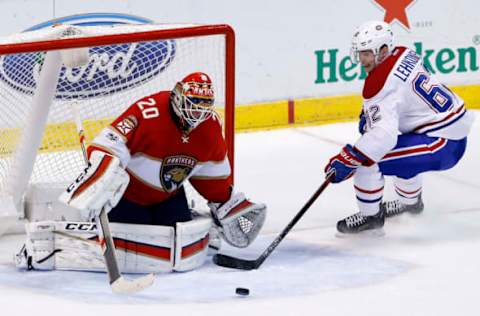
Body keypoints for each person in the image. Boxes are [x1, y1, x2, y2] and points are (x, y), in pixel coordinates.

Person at [16, 72, 267, 273]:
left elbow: (211, 169)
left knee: (175, 235)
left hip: (169, 196)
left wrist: (223, 199)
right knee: (133, 239)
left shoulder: (210, 127)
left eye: (204, 107)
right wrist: (105, 171)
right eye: (193, 105)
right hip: (129, 197)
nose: (198, 113)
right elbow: (111, 141)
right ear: (179, 97)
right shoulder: (149, 110)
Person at [324, 21, 474, 234]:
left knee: (367, 161)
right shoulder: (405, 53)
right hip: (449, 128)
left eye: (367, 53)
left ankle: (371, 218)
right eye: (360, 53)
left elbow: (383, 137)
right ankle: (410, 204)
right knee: (401, 152)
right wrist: (372, 114)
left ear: (383, 51)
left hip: (443, 144)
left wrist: (350, 157)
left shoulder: (379, 83)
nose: (361, 60)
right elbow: (402, 96)